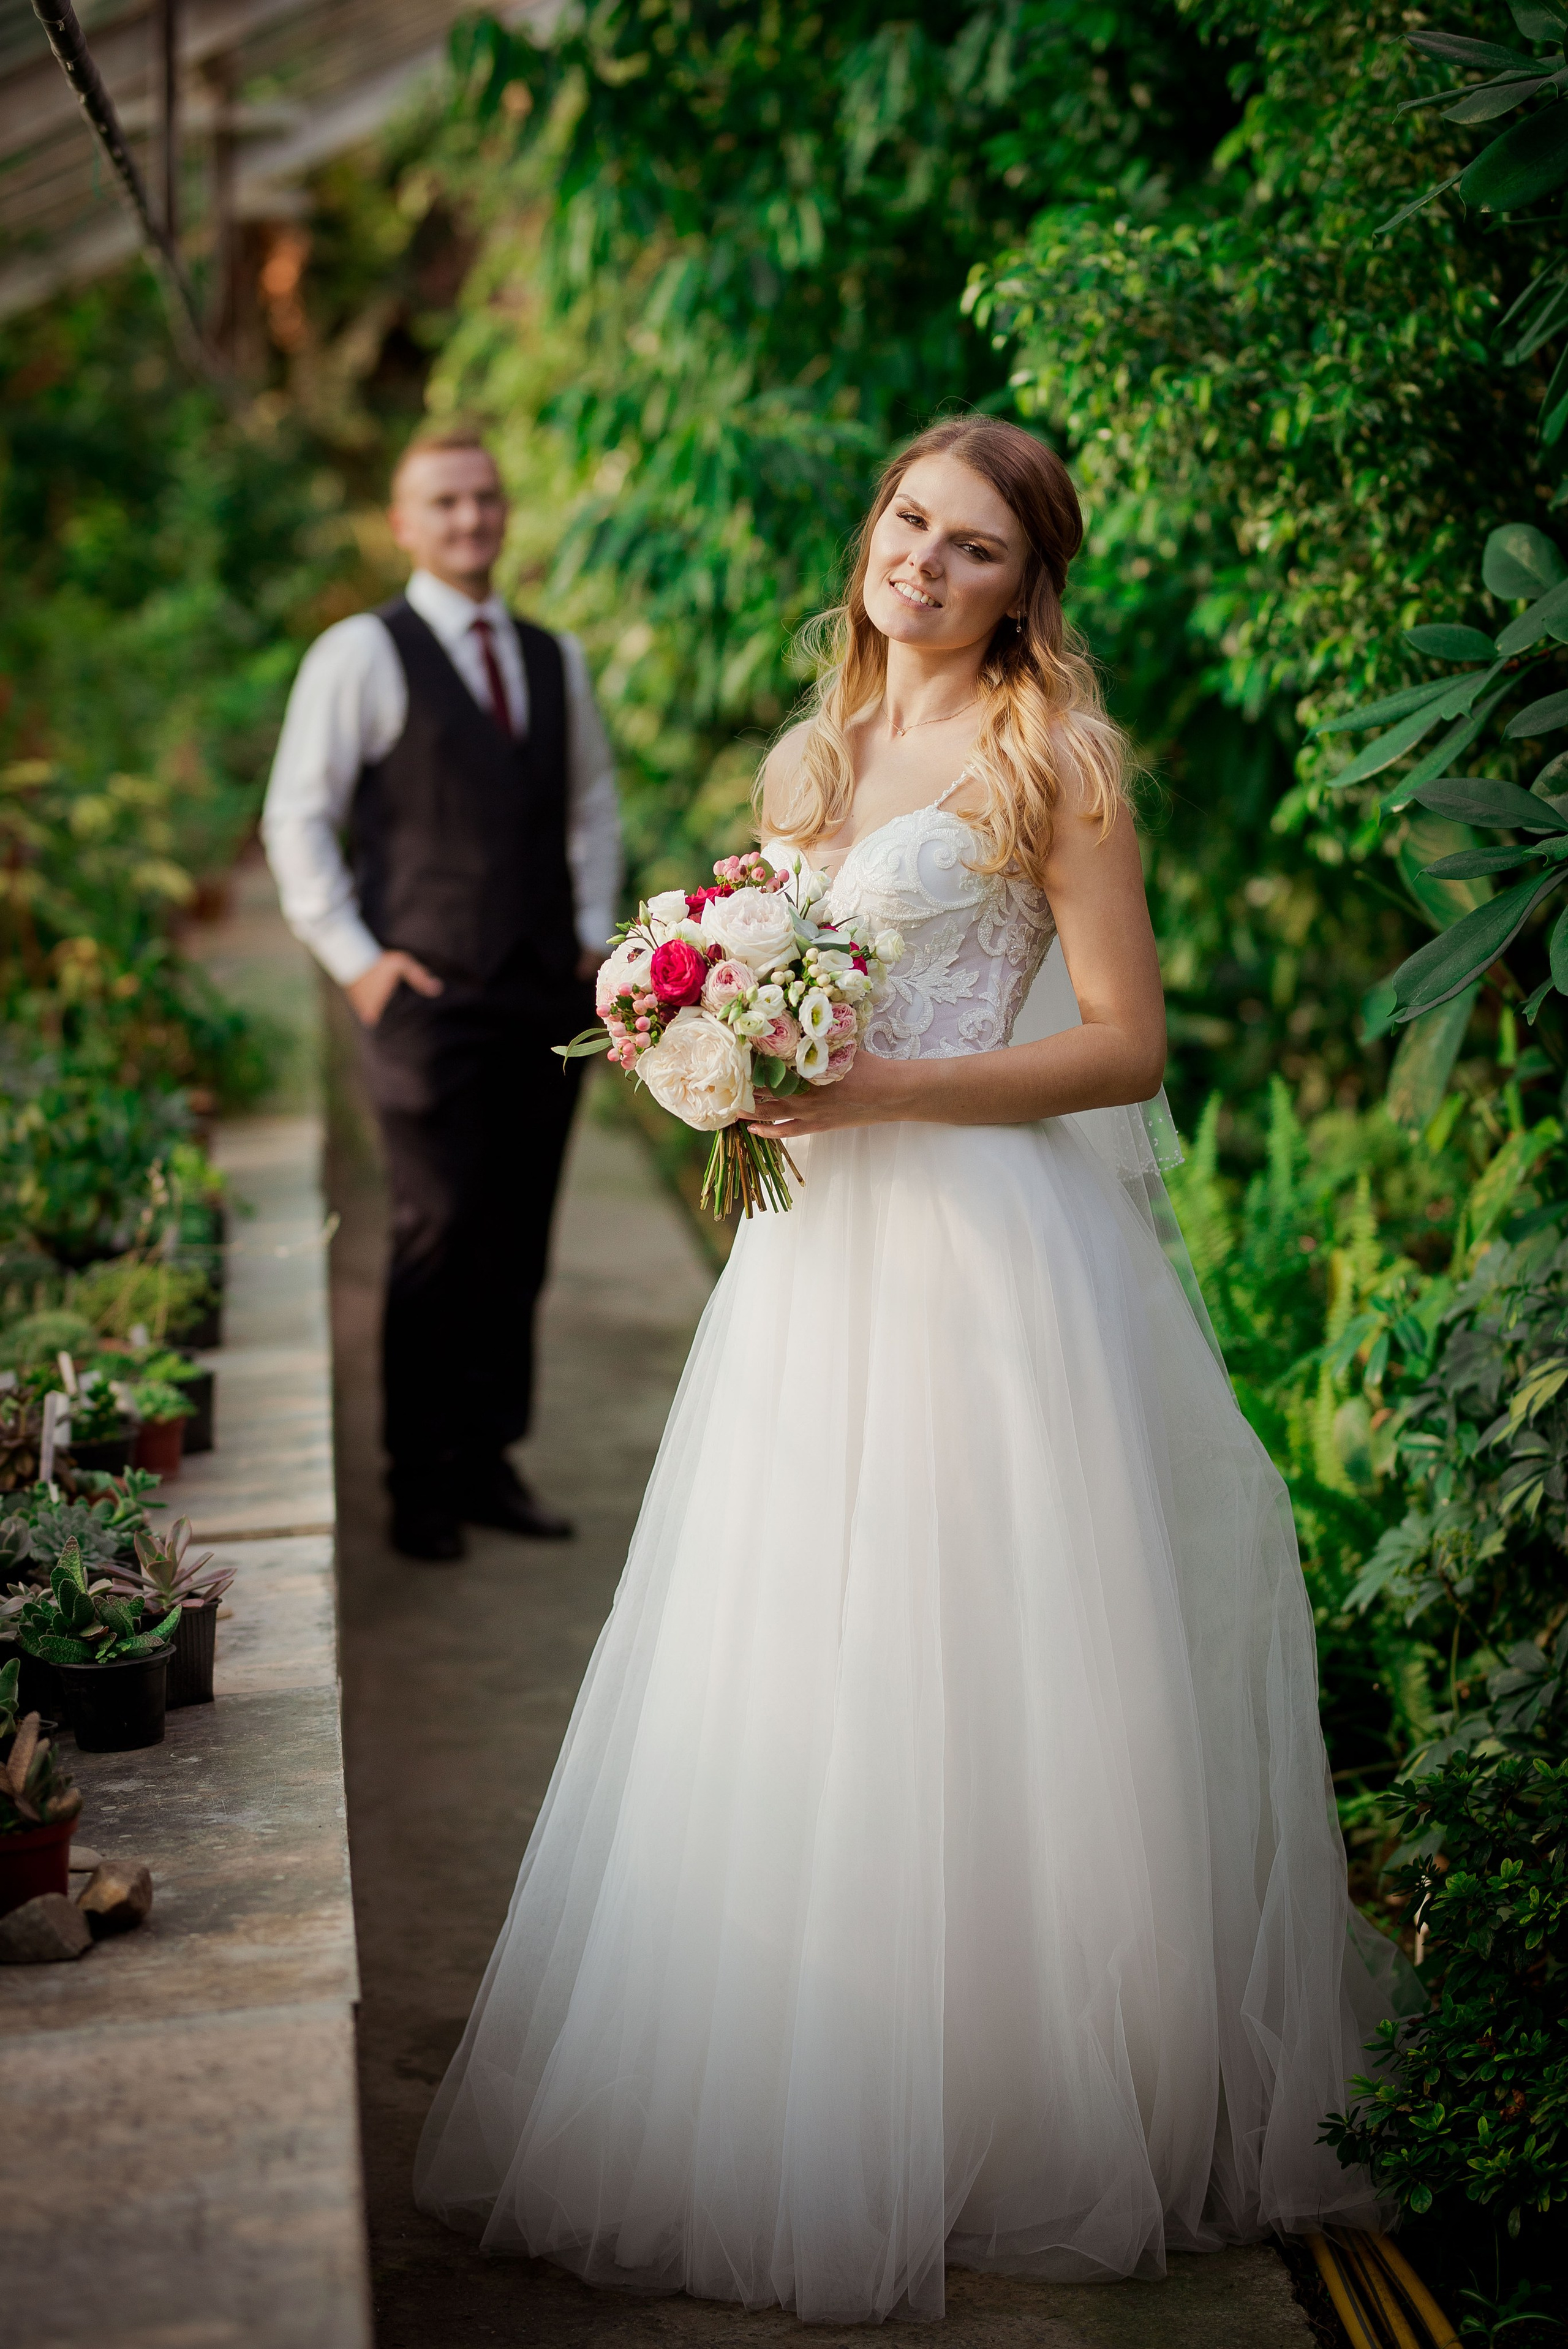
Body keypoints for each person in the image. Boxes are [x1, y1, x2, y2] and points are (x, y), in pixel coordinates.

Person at [413, 417, 1407, 2317]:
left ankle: (1022, 2102)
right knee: (805, 1652)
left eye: (972, 547)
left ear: (1029, 586)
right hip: (817, 1272)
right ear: (871, 532)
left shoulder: (1058, 766)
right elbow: (797, 1005)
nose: (923, 565)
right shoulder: (822, 754)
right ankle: (828, 2080)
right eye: (907, 524)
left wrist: (886, 1090)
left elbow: (1126, 1050)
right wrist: (710, 1048)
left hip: (988, 1259)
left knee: (993, 1665)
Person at [262, 425, 620, 1563]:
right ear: (405, 524)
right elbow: (296, 819)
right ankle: (419, 1478)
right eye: (445, 503)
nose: (472, 519)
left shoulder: (555, 659)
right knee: (437, 1230)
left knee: (518, 1235)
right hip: (423, 995)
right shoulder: (358, 655)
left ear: (504, 512)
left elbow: (592, 804)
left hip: (545, 1000)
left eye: (485, 498)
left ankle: (487, 1460)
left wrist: (585, 934)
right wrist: (360, 964)